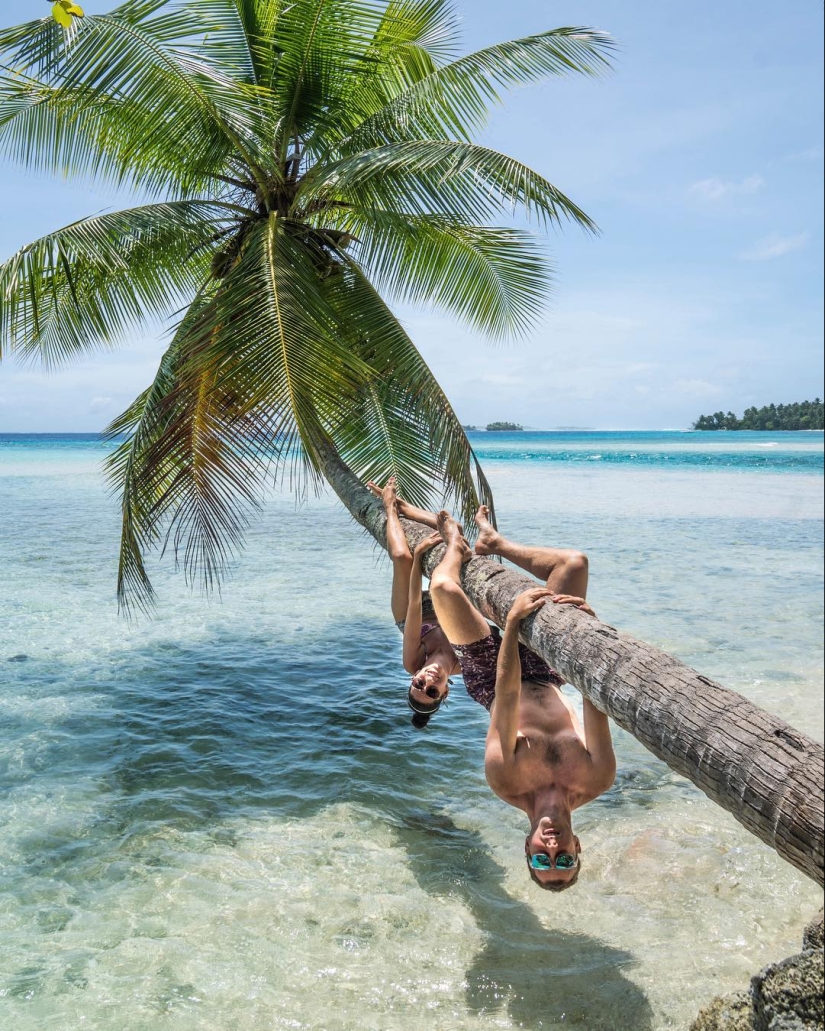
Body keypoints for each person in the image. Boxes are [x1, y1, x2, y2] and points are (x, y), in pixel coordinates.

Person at [428, 506, 616, 892]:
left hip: (491, 679)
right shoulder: (598, 777)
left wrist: (512, 624)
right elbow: (592, 697)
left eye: (541, 859)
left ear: (526, 848)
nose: (553, 849)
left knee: (444, 589)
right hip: (549, 673)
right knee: (574, 564)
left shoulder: (505, 780)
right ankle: (495, 543)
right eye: (564, 859)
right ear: (578, 847)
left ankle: (454, 545)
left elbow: (508, 694)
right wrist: (588, 628)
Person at [368, 478, 461, 727]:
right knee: (457, 534)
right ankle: (406, 508)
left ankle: (390, 506)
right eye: (432, 691)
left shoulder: (412, 662)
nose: (427, 681)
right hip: (444, 609)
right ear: (445, 692)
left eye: (418, 684)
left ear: (413, 679)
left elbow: (413, 607)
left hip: (411, 615)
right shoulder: (466, 662)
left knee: (401, 557)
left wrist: (418, 557)